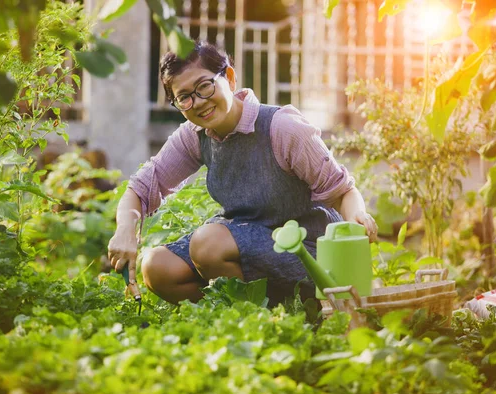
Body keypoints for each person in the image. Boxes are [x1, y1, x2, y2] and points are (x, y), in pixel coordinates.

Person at [108, 41, 378, 306]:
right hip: (240, 244)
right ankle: (248, 310)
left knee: (208, 243)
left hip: (303, 248)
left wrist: (357, 217)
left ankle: (278, 315)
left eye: (204, 86)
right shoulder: (195, 136)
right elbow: (141, 189)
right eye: (184, 97)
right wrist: (124, 230)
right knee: (158, 267)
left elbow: (343, 191)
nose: (198, 102)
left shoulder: (281, 127)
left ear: (230, 77)